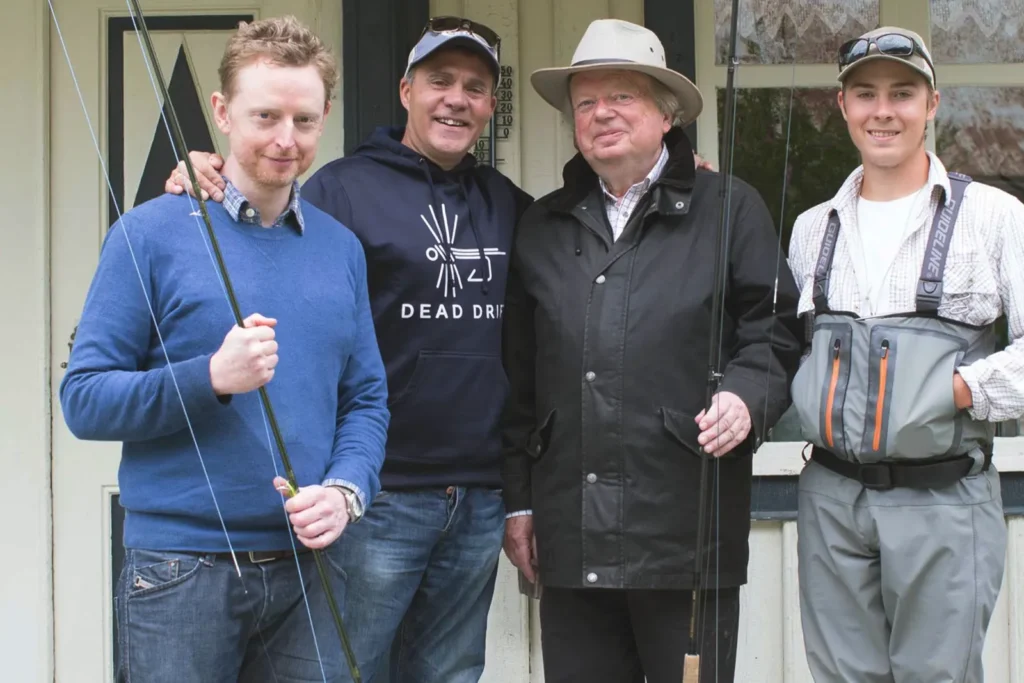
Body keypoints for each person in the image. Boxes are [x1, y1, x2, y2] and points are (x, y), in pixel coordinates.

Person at [164, 17, 534, 683]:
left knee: (450, 673)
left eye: (475, 88)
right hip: (375, 495)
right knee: (340, 671)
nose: (457, 98)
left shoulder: (508, 205)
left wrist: (681, 171)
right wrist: (204, 170)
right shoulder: (338, 189)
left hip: (476, 497)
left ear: (491, 105)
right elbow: (262, 209)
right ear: (405, 90)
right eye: (440, 81)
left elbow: (591, 234)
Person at [59, 16, 389, 683]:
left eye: (304, 119)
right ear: (221, 111)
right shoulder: (147, 235)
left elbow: (366, 399)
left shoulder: (340, 248)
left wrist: (347, 491)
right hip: (179, 573)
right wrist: (210, 376)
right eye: (265, 115)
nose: (285, 140)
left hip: (311, 570)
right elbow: (84, 400)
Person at [499, 18, 804, 683]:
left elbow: (776, 328)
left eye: (622, 97)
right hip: (569, 534)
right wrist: (519, 503)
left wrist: (747, 397)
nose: (601, 113)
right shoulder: (541, 227)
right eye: (585, 101)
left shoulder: (731, 209)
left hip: (686, 534)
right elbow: (519, 381)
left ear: (667, 114)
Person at [787, 26, 1024, 683]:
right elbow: (787, 347)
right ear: (842, 106)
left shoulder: (996, 217)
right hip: (830, 495)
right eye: (865, 94)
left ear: (933, 104)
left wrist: (957, 390)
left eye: (902, 93)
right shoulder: (812, 229)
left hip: (944, 493)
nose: (882, 110)